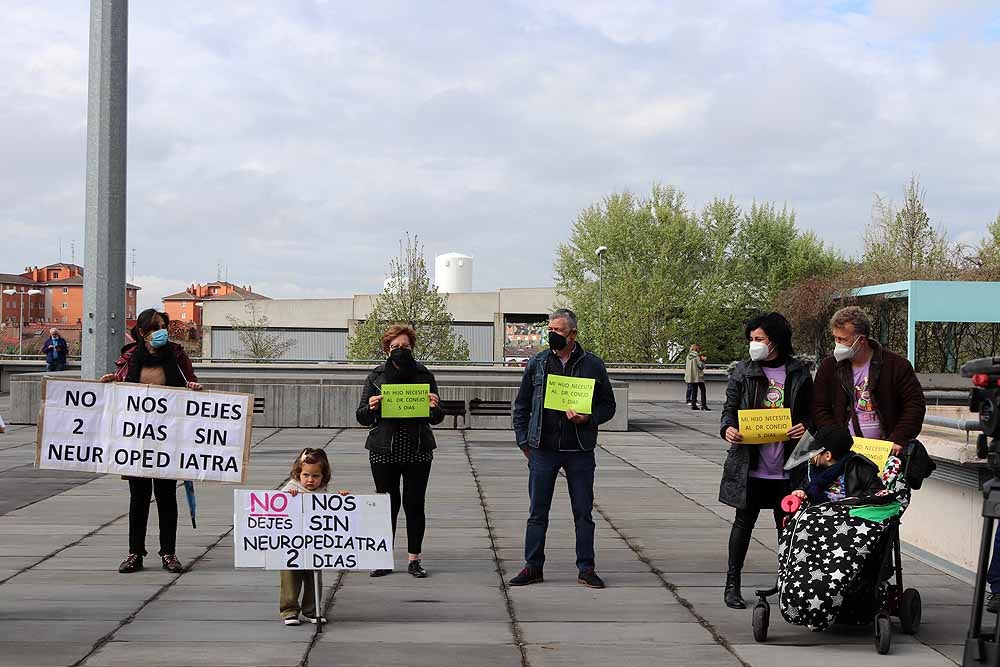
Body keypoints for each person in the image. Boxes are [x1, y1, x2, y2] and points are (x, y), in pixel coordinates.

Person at [509, 309, 617, 589]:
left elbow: (609, 405)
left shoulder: (593, 365)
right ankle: (533, 566)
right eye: (551, 329)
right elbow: (521, 405)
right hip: (543, 450)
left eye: (558, 331)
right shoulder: (538, 363)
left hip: (579, 450)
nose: (552, 335)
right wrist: (524, 441)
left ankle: (586, 567)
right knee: (537, 512)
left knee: (583, 512)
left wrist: (588, 417)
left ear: (573, 334)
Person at [719, 312, 812, 609]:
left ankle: (788, 584)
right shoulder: (742, 372)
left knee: (787, 528)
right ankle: (732, 584)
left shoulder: (798, 373)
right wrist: (728, 429)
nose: (754, 345)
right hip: (751, 464)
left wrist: (806, 426)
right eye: (751, 340)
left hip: (787, 468)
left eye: (759, 339)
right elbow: (729, 409)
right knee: (743, 523)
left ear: (776, 341)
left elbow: (813, 412)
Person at [100, 308, 202, 574]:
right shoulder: (130, 358)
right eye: (156, 327)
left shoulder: (177, 356)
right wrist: (112, 382)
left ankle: (168, 552)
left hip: (168, 439)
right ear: (143, 333)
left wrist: (192, 387)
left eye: (164, 326)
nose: (162, 331)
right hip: (137, 441)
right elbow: (121, 391)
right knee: (139, 498)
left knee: (167, 497)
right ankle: (135, 553)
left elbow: (190, 383)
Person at [356, 324, 444, 579]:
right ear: (386, 350)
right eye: (395, 347)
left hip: (418, 449)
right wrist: (372, 407)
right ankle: (383, 558)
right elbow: (361, 416)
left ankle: (414, 559)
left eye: (405, 346)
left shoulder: (424, 375)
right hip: (384, 449)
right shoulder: (375, 377)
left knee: (415, 505)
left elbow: (437, 417)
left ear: (412, 348)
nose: (400, 351)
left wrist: (433, 406)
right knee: (386, 505)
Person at [813, 306, 926, 456]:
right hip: (843, 453)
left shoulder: (896, 365)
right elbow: (819, 407)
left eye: (842, 339)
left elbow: (914, 405)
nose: (837, 343)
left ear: (861, 340)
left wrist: (899, 438)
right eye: (835, 338)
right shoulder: (829, 367)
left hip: (886, 452)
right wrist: (835, 440)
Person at [280, 448, 333, 626]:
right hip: (291, 543)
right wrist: (288, 497)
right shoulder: (291, 487)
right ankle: (289, 610)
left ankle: (312, 610)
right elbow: (276, 507)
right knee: (290, 576)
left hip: (313, 543)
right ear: (298, 474)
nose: (310, 480)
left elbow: (333, 511)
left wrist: (342, 500)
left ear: (323, 477)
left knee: (314, 576)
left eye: (316, 476)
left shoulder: (322, 491)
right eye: (306, 475)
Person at [788, 426, 883, 504]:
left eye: (813, 451)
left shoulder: (860, 468)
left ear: (827, 456)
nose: (809, 455)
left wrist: (855, 502)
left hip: (850, 518)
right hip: (818, 518)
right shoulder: (812, 469)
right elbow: (804, 486)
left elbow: (878, 495)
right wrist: (800, 492)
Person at [684, 344, 708, 410]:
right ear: (696, 349)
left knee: (694, 390)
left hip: (691, 376)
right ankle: (704, 405)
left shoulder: (688, 356)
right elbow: (700, 365)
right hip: (698, 376)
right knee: (703, 390)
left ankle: (693, 405)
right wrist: (703, 360)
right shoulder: (697, 356)